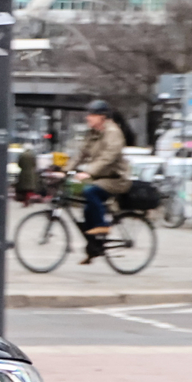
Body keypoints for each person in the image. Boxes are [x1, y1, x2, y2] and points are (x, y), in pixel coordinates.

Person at [68, 98, 132, 262]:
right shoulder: (93, 134)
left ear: (102, 117)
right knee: (86, 206)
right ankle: (93, 246)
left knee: (90, 191)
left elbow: (108, 157)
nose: (87, 117)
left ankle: (102, 229)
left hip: (117, 179)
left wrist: (88, 172)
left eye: (91, 115)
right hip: (101, 178)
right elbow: (81, 154)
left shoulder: (113, 132)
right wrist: (63, 170)